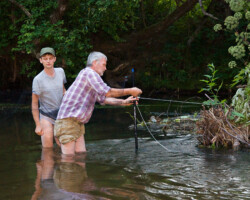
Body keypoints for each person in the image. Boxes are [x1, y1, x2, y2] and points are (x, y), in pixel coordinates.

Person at [54, 51, 142, 155]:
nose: (105, 68)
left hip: (77, 123)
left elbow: (103, 99)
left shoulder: (91, 77)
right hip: (67, 122)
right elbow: (108, 92)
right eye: (104, 65)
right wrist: (130, 90)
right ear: (95, 63)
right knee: (68, 161)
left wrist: (123, 102)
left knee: (81, 156)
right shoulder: (89, 73)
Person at [32, 47, 67, 148]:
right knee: (48, 150)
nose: (48, 61)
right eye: (45, 58)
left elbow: (63, 90)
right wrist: (38, 125)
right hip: (46, 116)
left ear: (54, 59)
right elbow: (34, 104)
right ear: (41, 60)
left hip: (61, 115)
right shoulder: (37, 79)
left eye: (50, 58)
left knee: (64, 147)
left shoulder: (61, 72)